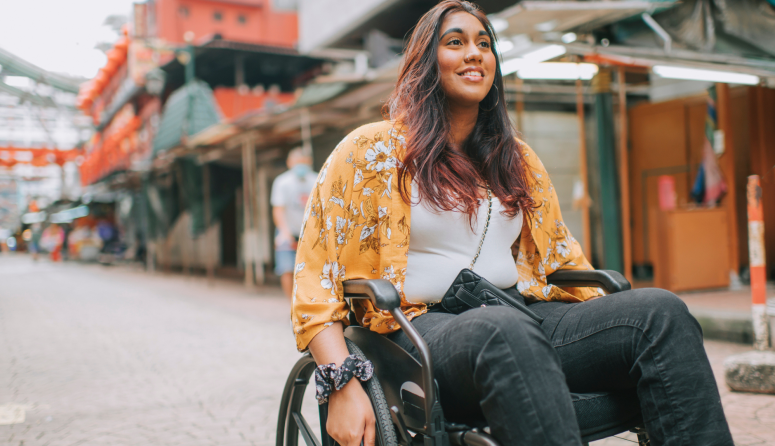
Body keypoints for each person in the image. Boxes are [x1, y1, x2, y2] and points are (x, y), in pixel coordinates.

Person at [290, 2, 733, 445]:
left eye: (485, 44)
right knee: (504, 330)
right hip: (416, 329)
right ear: (426, 61)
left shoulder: (517, 159)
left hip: (517, 312)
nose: (475, 53)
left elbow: (562, 258)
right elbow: (317, 279)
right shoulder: (369, 151)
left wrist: (606, 326)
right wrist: (341, 380)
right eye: (456, 42)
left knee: (659, 313)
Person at [271, 147, 318, 298]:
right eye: (297, 162)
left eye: (303, 162)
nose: (301, 165)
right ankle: (292, 306)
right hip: (287, 230)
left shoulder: (317, 179)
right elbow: (278, 209)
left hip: (310, 233)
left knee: (314, 269)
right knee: (286, 269)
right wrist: (284, 232)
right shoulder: (282, 182)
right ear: (289, 163)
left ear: (309, 162)